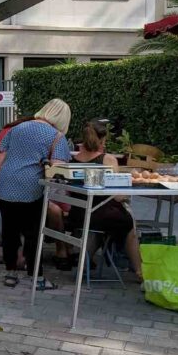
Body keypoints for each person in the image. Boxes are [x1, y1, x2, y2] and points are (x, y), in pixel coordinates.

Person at [0, 98, 72, 290]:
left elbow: (0, 156)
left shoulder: (17, 128)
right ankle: (36, 276)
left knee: (9, 231)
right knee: (33, 233)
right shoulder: (56, 137)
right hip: (31, 187)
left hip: (6, 183)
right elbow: (59, 167)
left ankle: (10, 273)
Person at [0, 116, 65, 266]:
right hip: (0, 171)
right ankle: (20, 258)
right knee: (17, 215)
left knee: (0, 212)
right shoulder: (24, 132)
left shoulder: (12, 129)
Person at [64, 119, 142, 278]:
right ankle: (139, 271)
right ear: (99, 140)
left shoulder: (73, 160)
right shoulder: (107, 160)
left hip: (78, 213)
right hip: (99, 214)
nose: (105, 145)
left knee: (104, 222)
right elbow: (118, 194)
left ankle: (84, 261)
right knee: (128, 223)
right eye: (104, 141)